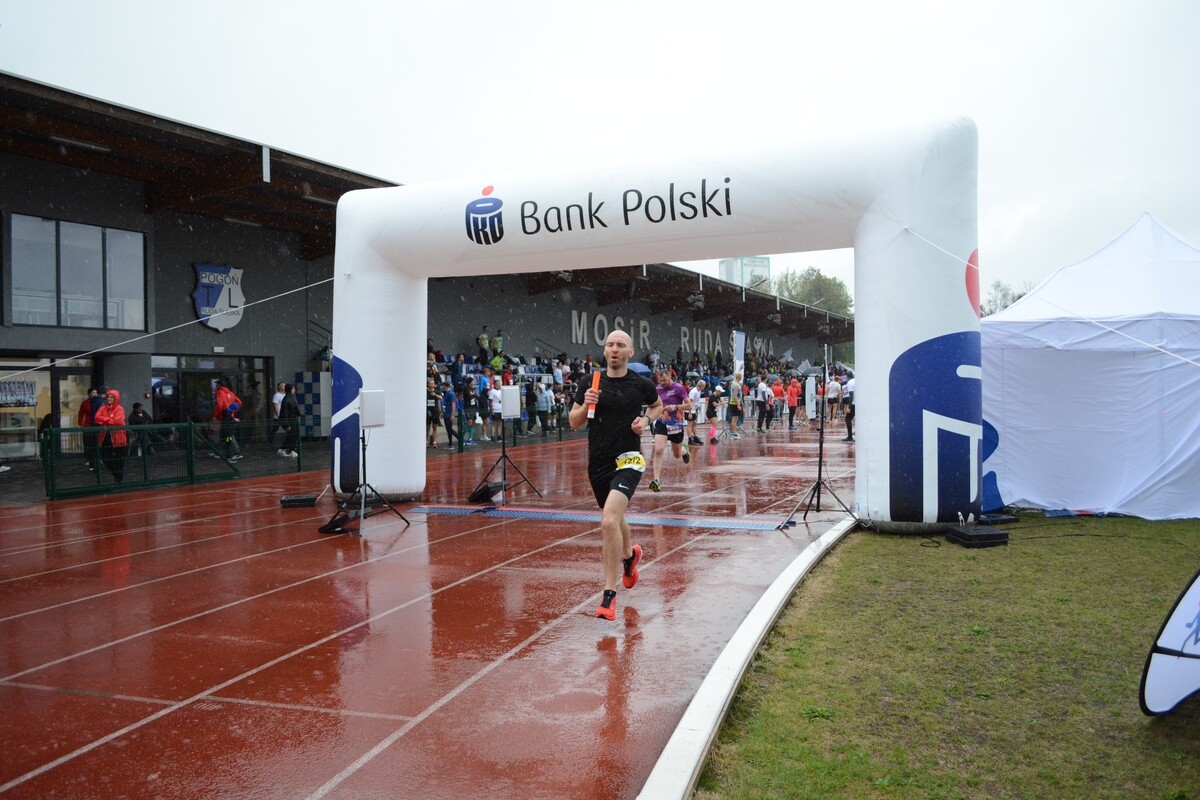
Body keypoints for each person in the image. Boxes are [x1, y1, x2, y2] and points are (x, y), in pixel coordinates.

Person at [570, 329, 662, 621]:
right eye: (609, 344)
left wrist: (645, 420)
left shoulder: (641, 384)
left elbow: (657, 405)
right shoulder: (590, 382)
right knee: (616, 518)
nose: (613, 349)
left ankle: (608, 596)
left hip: (629, 459)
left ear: (630, 352)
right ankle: (629, 555)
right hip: (598, 462)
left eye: (620, 345)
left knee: (609, 519)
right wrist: (586, 403)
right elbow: (573, 422)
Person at [648, 369, 691, 493]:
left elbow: (689, 405)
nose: (662, 383)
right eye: (660, 381)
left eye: (664, 380)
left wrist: (676, 406)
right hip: (662, 423)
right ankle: (656, 480)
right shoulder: (658, 389)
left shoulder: (678, 388)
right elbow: (653, 405)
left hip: (676, 424)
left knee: (676, 455)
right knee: (659, 450)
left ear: (670, 377)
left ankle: (684, 451)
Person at [93, 388, 128, 482]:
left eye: (112, 397)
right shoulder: (103, 407)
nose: (109, 399)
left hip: (118, 437)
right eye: (108, 397)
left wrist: (104, 420)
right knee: (105, 458)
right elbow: (96, 418)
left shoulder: (119, 409)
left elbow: (118, 421)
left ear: (116, 398)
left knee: (119, 459)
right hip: (105, 436)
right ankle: (117, 474)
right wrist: (109, 419)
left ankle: (118, 478)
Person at [213, 378, 243, 460]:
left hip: (223, 416)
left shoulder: (220, 392)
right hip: (230, 416)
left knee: (227, 435)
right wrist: (233, 411)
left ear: (220, 385)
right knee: (226, 434)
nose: (216, 386)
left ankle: (235, 452)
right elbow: (239, 402)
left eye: (217, 384)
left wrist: (215, 415)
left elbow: (219, 405)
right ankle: (217, 451)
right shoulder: (230, 393)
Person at [77, 386, 100, 471]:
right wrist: (80, 423)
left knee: (96, 443)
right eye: (93, 393)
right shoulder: (85, 403)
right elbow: (81, 413)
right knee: (88, 443)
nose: (95, 394)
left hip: (97, 425)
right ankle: (89, 459)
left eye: (96, 393)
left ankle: (96, 458)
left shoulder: (99, 402)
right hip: (88, 425)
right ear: (89, 394)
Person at [276, 383, 300, 457]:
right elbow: (284, 413)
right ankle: (285, 449)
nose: (294, 390)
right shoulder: (287, 399)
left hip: (293, 420)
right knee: (291, 436)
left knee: (293, 436)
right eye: (293, 389)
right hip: (290, 421)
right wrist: (286, 425)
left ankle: (290, 449)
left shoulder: (291, 398)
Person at [440, 380, 461, 448]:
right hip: (446, 413)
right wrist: (443, 412)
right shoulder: (447, 393)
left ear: (445, 386)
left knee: (449, 429)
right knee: (448, 429)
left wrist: (452, 414)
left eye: (443, 386)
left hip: (449, 414)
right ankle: (450, 443)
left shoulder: (450, 393)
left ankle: (460, 439)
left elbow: (453, 404)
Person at [426, 378, 442, 449]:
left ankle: (434, 442)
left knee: (434, 427)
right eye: (430, 383)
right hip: (427, 411)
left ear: (434, 385)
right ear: (428, 384)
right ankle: (426, 441)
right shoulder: (425, 391)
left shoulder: (437, 391)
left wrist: (435, 395)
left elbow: (441, 398)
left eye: (432, 384)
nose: (431, 385)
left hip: (435, 411)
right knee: (427, 427)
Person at [727, 372, 744, 438]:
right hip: (734, 403)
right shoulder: (736, 385)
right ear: (739, 378)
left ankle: (734, 432)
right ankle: (733, 433)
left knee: (734, 419)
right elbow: (735, 395)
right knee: (734, 419)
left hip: (733, 402)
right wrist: (738, 405)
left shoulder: (733, 382)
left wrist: (740, 368)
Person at [842, 375, 856, 442]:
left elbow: (851, 395)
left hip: (854, 404)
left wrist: (849, 407)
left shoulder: (850, 383)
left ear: (847, 377)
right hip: (860, 404)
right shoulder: (856, 380)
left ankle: (850, 436)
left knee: (847, 419)